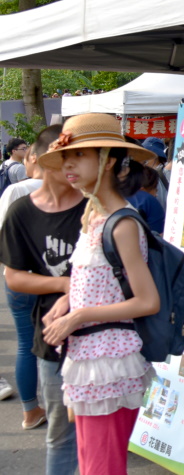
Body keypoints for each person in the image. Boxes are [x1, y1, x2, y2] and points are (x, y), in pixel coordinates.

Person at [37, 113, 160, 475]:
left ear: (107, 161)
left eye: (79, 155)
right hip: (89, 359)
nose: (68, 164)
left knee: (100, 467)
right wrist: (67, 301)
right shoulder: (95, 215)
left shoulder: (121, 222)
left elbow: (147, 301)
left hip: (108, 362)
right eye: (65, 157)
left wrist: (78, 315)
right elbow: (96, 282)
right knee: (93, 464)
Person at [0, 124, 85, 475]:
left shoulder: (96, 208)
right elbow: (14, 277)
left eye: (80, 160)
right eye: (67, 160)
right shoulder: (22, 211)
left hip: (106, 340)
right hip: (52, 339)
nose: (74, 170)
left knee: (98, 434)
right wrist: (66, 286)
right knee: (60, 434)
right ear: (44, 160)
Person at [0, 131, 49, 432]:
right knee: (59, 343)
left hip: (18, 278)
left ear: (34, 157)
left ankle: (31, 411)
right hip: (56, 279)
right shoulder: (73, 189)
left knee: (25, 344)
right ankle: (64, 409)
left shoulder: (15, 192)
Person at [140, 137, 169, 208]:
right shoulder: (148, 173)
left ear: (155, 156)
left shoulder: (166, 172)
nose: (143, 157)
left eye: (146, 153)